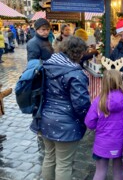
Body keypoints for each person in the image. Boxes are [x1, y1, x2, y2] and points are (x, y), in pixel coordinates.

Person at [30, 36, 91, 180]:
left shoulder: (47, 65)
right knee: (64, 163)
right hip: (67, 124)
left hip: (45, 118)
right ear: (78, 53)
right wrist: (88, 120)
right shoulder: (75, 73)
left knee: (49, 157)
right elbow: (81, 105)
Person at [85, 69, 123, 180]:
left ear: (104, 82)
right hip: (121, 143)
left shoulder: (98, 101)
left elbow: (89, 123)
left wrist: (98, 126)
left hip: (102, 144)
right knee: (118, 173)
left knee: (100, 172)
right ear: (120, 81)